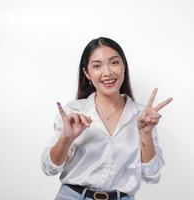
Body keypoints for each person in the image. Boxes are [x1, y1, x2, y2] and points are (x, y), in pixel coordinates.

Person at [41, 37, 173, 200]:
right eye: (97, 66)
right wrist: (66, 138)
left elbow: (151, 174)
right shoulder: (73, 111)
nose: (108, 73)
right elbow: (49, 168)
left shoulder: (142, 115)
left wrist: (145, 133)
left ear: (123, 66)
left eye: (114, 63)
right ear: (87, 73)